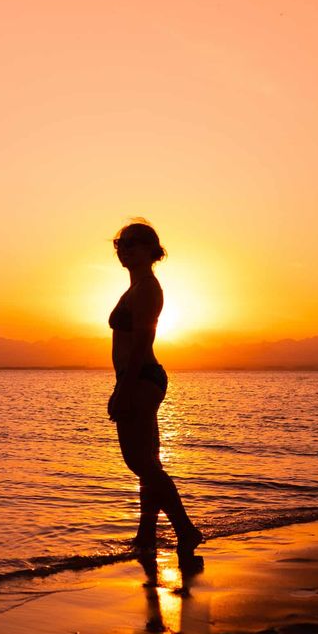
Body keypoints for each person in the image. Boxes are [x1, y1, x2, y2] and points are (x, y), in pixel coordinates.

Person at [107, 220, 203, 555]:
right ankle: (146, 534)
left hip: (141, 377)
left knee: (139, 462)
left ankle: (185, 529)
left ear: (152, 249)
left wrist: (124, 389)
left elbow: (142, 341)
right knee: (149, 462)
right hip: (138, 377)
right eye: (121, 242)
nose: (125, 248)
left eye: (133, 242)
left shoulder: (148, 287)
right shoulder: (135, 288)